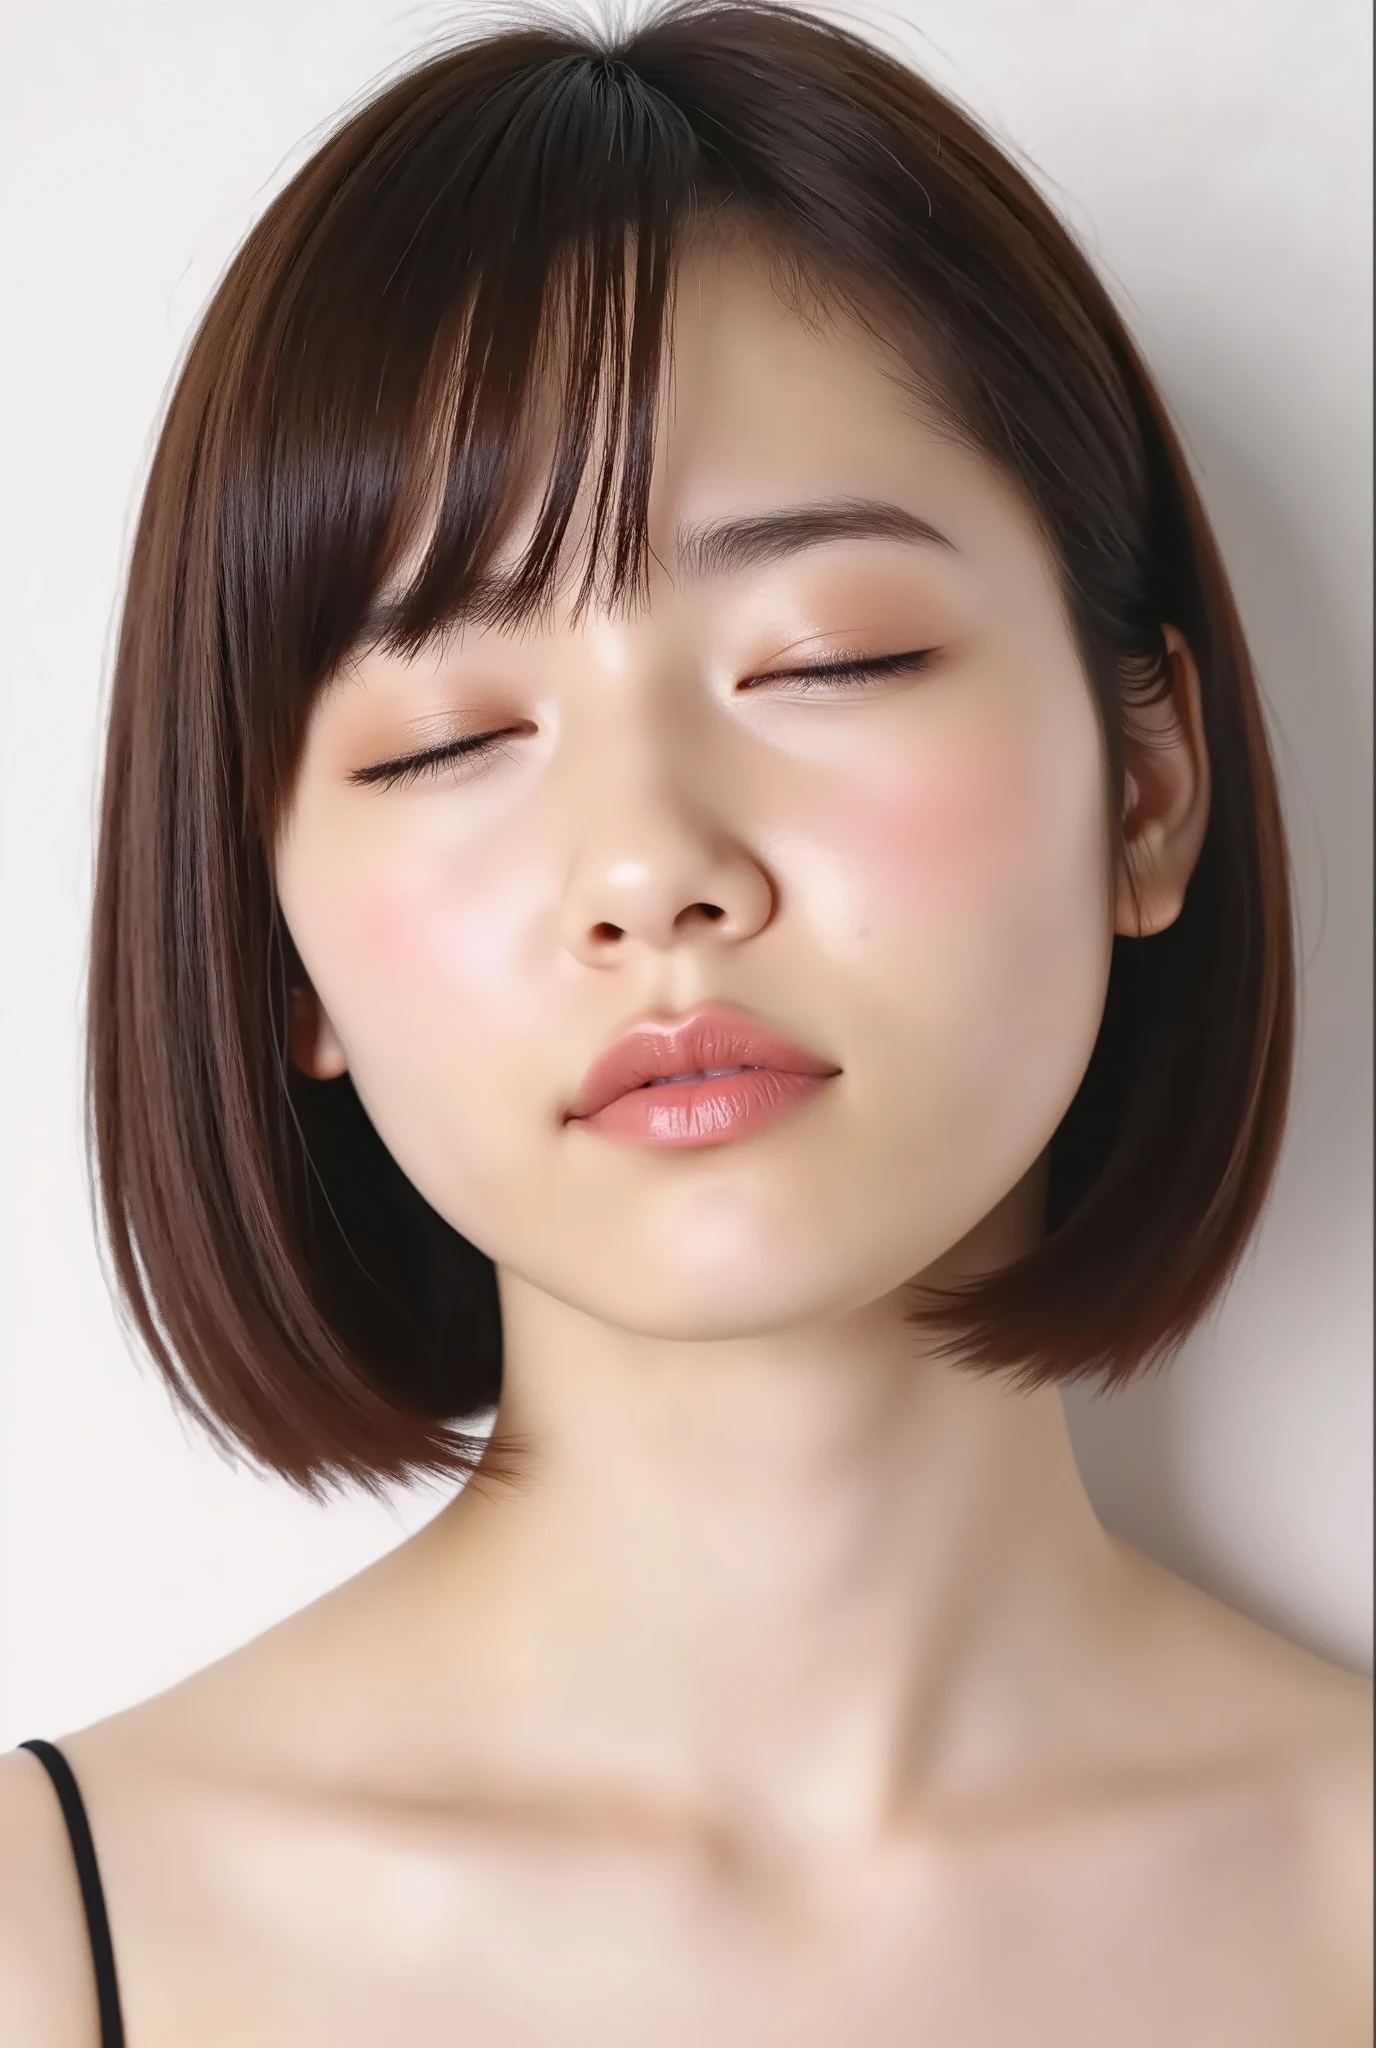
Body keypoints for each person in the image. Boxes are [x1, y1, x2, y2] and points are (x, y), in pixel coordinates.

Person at [2, 3, 1370, 2041]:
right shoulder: (49, 1941)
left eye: (829, 659)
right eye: (445, 740)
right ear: (282, 953)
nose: (651, 867)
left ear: (1148, 789)